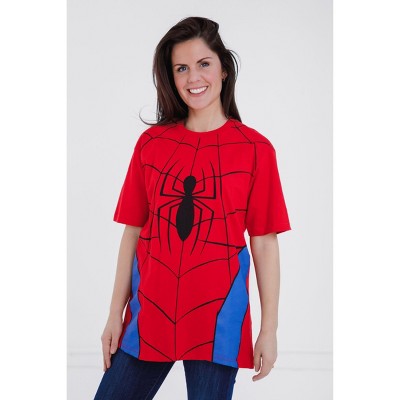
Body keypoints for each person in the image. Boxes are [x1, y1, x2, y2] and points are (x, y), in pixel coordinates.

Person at [94, 16, 291, 400]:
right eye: (181, 68)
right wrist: (114, 313)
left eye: (203, 64)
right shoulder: (151, 144)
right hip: (150, 313)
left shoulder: (256, 150)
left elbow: (265, 242)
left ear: (224, 69)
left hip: (220, 318)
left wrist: (269, 329)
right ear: (171, 77)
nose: (193, 77)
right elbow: (133, 231)